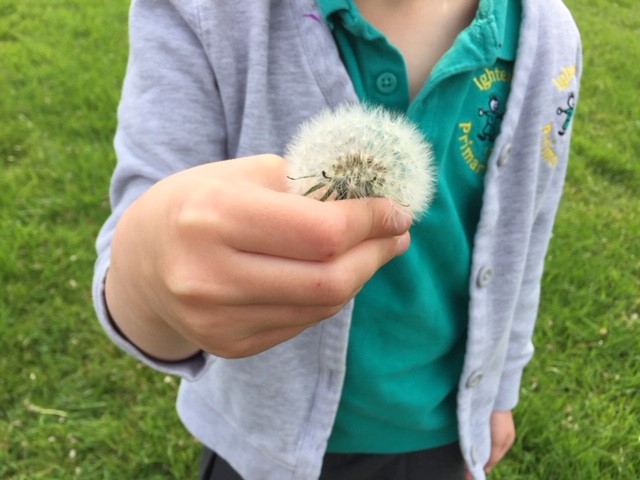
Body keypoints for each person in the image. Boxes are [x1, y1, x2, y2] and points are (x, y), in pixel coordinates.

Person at [92, 0, 582, 479]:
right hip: (261, 445)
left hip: (442, 433)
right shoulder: (201, 11)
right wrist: (148, 269)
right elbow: (138, 254)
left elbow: (526, 241)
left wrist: (499, 393)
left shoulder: (549, 41)